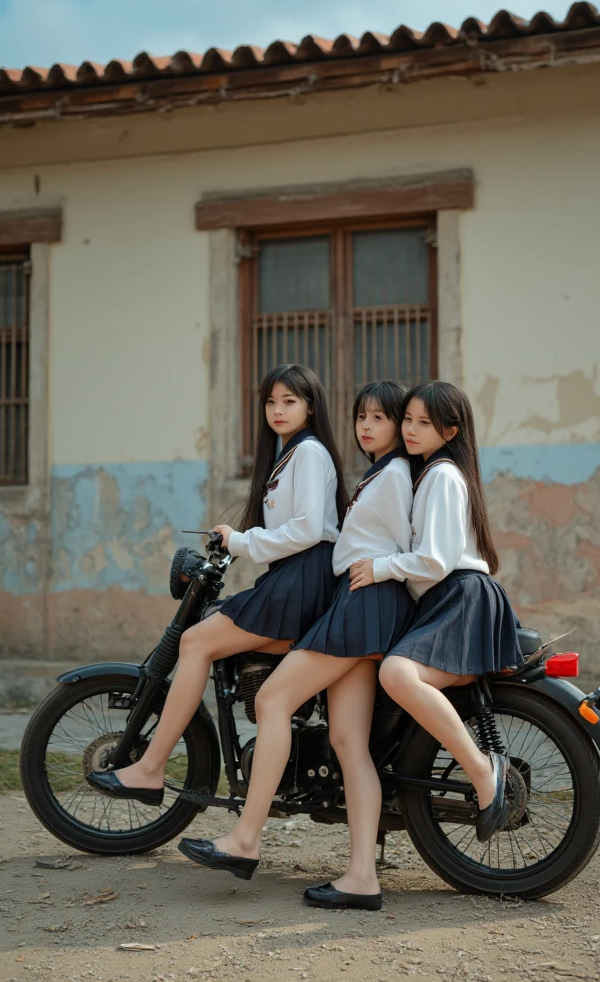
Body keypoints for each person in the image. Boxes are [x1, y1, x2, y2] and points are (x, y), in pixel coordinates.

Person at [178, 381, 414, 910]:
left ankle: (245, 840)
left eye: (380, 417)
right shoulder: (381, 472)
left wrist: (391, 588)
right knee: (350, 744)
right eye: (361, 416)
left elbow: (413, 549)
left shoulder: (394, 476)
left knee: (273, 701)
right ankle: (361, 878)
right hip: (359, 605)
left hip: (362, 608)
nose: (366, 426)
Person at [86, 364, 347, 805]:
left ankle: (151, 769)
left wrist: (241, 540)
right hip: (293, 576)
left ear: (310, 406)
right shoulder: (290, 454)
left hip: (304, 577)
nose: (278, 410)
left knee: (195, 643)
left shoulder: (309, 452)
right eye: (271, 401)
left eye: (290, 401)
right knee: (208, 644)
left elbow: (305, 531)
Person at [366, 380, 523, 844]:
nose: (411, 430)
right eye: (408, 420)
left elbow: (435, 558)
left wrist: (378, 567)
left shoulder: (442, 476)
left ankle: (482, 772)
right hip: (446, 597)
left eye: (424, 423)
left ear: (451, 430)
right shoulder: (427, 474)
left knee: (396, 674)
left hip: (459, 595)